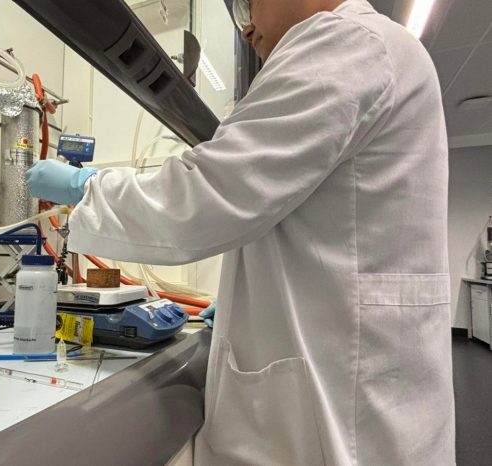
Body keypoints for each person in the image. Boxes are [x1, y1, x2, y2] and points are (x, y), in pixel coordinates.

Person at [26, 0, 455, 463]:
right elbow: (319, 228)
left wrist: (86, 186)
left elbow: (205, 199)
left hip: (348, 417)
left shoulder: (346, 43)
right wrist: (247, 307)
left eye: (248, 4)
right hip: (362, 389)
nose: (246, 30)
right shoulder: (374, 48)